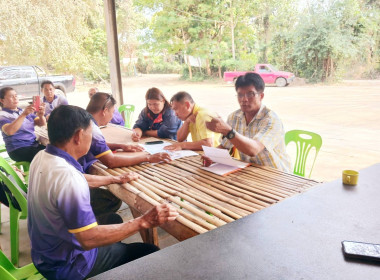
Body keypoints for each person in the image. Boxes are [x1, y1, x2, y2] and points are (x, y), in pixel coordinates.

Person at [27, 105, 178, 279]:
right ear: (78, 136)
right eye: (90, 134)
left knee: (112, 219)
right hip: (68, 265)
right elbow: (88, 239)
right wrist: (143, 221)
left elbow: (78, 178)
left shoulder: (42, 158)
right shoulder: (68, 178)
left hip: (44, 254)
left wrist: (113, 179)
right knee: (149, 252)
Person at [204, 73, 291, 172]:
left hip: (276, 174)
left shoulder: (271, 120)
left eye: (250, 94)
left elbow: (253, 150)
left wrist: (227, 131)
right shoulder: (234, 117)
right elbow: (225, 146)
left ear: (261, 96)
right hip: (249, 171)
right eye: (240, 95)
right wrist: (212, 156)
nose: (244, 99)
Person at [82, 92, 171, 169]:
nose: (112, 116)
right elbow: (111, 161)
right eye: (112, 112)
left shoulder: (84, 120)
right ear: (105, 111)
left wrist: (121, 146)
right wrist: (148, 158)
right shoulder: (92, 129)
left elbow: (95, 145)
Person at [0, 87, 46, 162]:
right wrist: (24, 115)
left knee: (57, 151)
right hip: (18, 149)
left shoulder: (22, 111)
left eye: (16, 96)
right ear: (2, 100)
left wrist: (41, 115)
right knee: (49, 157)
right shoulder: (2, 115)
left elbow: (41, 123)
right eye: (11, 96)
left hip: (33, 145)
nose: (15, 98)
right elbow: (9, 131)